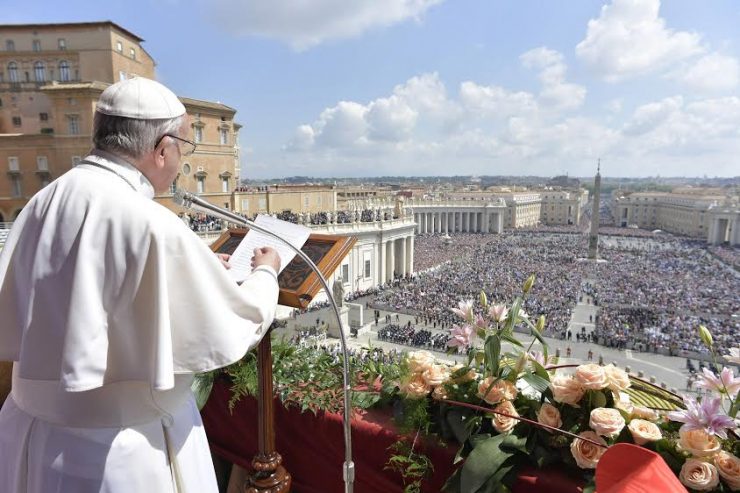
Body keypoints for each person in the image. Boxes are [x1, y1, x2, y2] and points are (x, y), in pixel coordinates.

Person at [0, 77, 281, 493]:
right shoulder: (151, 221)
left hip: (32, 436)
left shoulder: (46, 199)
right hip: (122, 453)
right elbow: (236, 322)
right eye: (184, 147)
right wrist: (266, 273)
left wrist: (199, 268)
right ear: (162, 148)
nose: (180, 159)